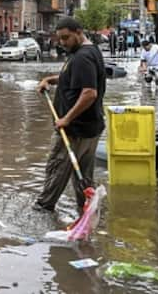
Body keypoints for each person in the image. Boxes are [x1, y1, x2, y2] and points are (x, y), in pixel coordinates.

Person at [34, 17, 106, 215]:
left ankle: (43, 210)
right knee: (82, 176)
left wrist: (66, 119)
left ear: (78, 32)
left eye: (66, 38)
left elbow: (89, 93)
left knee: (56, 170)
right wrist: (50, 80)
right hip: (90, 128)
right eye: (60, 39)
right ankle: (88, 213)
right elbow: (72, 78)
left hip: (74, 131)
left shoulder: (83, 56)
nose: (63, 43)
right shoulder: (87, 52)